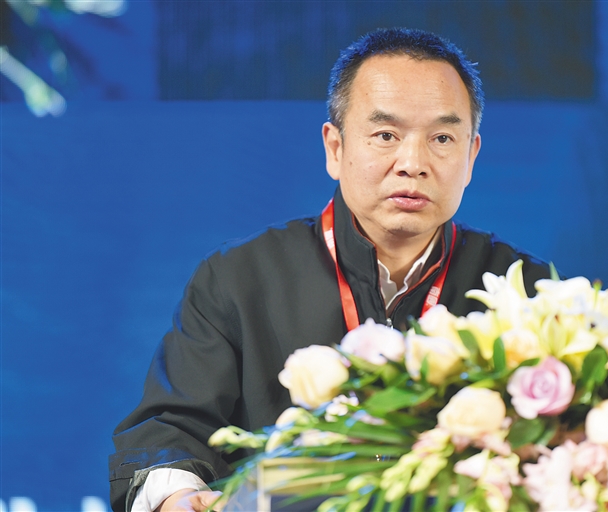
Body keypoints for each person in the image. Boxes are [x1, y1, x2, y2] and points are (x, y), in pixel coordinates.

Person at [109, 28, 553, 512]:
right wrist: (177, 497)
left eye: (442, 138)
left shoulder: (523, 292)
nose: (413, 163)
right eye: (386, 135)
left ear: (471, 157)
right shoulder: (239, 278)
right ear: (335, 148)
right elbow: (169, 430)